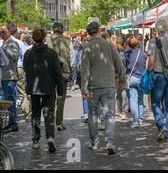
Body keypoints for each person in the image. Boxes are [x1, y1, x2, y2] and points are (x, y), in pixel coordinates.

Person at [81, 22, 126, 154]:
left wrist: (84, 88)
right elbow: (120, 65)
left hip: (93, 86)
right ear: (99, 31)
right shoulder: (109, 45)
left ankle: (94, 143)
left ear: (89, 33)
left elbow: (85, 70)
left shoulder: (87, 47)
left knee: (93, 114)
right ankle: (110, 142)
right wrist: (122, 80)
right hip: (109, 85)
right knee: (109, 114)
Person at [23, 29, 64, 153]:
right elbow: (58, 72)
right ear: (45, 38)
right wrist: (60, 90)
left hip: (34, 88)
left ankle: (36, 140)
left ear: (33, 38)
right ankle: (50, 137)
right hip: (48, 88)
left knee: (35, 114)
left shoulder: (28, 53)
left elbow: (25, 68)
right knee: (49, 114)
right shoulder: (51, 53)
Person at [46, 22, 71, 132]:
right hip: (64, 72)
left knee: (51, 98)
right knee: (61, 98)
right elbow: (68, 57)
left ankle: (50, 121)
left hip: (50, 73)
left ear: (53, 30)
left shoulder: (48, 40)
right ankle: (59, 123)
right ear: (62, 30)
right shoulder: (67, 40)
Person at [123, 37, 147, 128]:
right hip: (141, 78)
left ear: (128, 45)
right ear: (138, 44)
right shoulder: (144, 54)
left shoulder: (126, 54)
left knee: (133, 100)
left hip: (131, 78)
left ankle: (135, 121)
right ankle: (140, 119)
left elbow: (124, 67)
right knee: (140, 99)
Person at [0, 24, 20, 133]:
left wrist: (5, 50)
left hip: (10, 76)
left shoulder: (12, 43)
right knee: (7, 100)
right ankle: (11, 123)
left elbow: (15, 57)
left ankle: (13, 124)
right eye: (0, 32)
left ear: (9, 32)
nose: (1, 34)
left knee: (10, 100)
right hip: (4, 76)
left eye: (3, 32)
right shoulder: (5, 43)